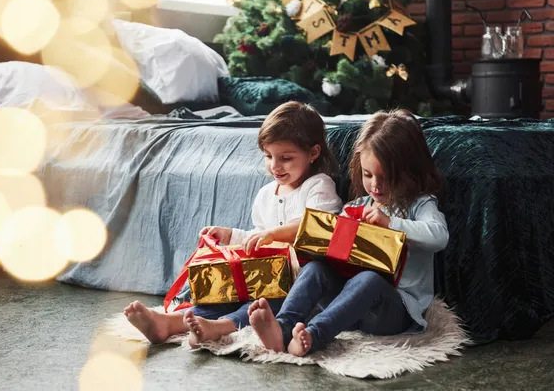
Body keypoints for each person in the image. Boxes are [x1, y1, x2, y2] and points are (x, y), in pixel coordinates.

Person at [123, 101, 343, 348]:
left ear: (313, 153)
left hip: (300, 284)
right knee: (225, 293)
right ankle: (170, 322)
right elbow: (258, 235)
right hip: (264, 275)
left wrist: (274, 234)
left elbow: (318, 225)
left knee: (263, 304)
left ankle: (219, 328)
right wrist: (230, 235)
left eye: (286, 158)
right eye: (268, 156)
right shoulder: (266, 194)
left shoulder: (319, 185)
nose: (275, 166)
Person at [248, 109, 449, 356]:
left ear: (409, 170)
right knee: (315, 269)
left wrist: (392, 224)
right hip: (349, 308)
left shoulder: (420, 204)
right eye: (367, 175)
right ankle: (282, 328)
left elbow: (439, 236)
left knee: (369, 280)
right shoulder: (356, 207)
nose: (375, 185)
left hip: (395, 311)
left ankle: (314, 335)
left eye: (385, 177)